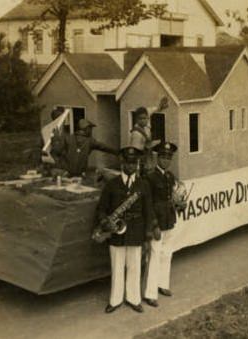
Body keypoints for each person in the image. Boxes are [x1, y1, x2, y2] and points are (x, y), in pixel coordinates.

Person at [94, 147, 156, 314]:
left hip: (136, 230)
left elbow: (149, 210)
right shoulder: (112, 184)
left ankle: (133, 299)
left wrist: (148, 231)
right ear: (122, 163)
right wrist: (105, 222)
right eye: (127, 162)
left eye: (133, 163)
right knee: (117, 266)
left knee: (135, 266)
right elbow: (101, 209)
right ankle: (115, 300)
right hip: (116, 232)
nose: (131, 166)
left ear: (137, 164)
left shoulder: (143, 184)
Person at [143, 142, 186, 307]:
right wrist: (153, 225)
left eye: (169, 158)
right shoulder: (150, 177)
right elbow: (148, 203)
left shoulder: (169, 176)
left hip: (169, 220)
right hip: (158, 223)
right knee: (154, 256)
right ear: (157, 158)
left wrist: (179, 205)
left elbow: (171, 199)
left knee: (167, 254)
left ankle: (163, 285)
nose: (166, 160)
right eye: (163, 157)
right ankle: (150, 294)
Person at [51, 119, 118, 177]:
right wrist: (118, 152)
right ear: (86, 129)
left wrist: (55, 140)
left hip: (66, 173)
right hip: (79, 173)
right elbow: (104, 147)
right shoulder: (90, 141)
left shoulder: (68, 138)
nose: (91, 131)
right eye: (90, 129)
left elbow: (56, 151)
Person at [129, 97, 169, 175]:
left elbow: (151, 110)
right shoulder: (136, 134)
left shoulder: (147, 115)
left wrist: (160, 107)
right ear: (136, 119)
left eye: (145, 118)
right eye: (140, 119)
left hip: (149, 157)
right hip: (142, 159)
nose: (143, 120)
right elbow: (136, 153)